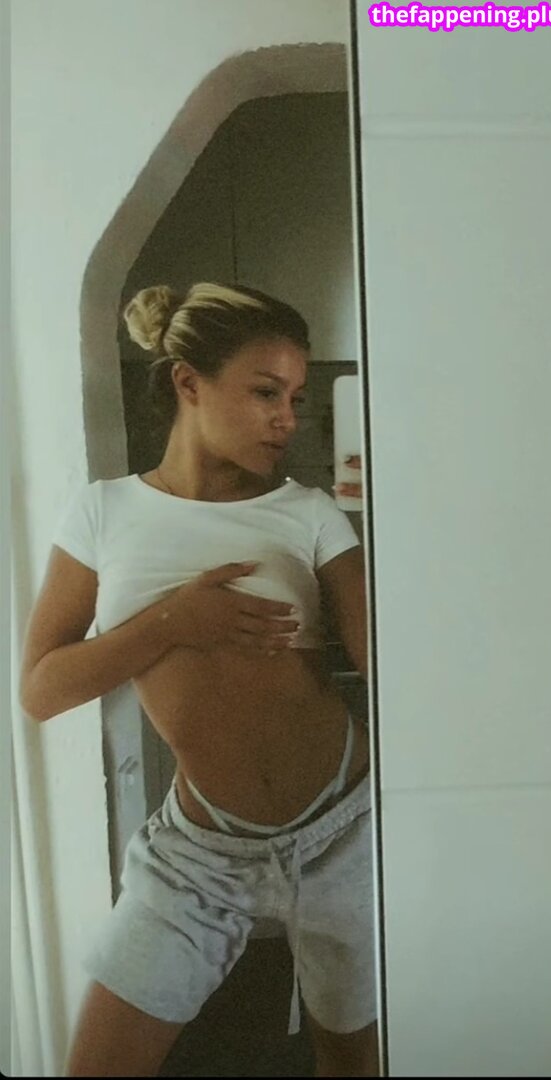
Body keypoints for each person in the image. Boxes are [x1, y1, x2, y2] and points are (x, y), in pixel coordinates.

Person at [19, 282, 377, 1078]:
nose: (287, 418)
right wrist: (173, 622)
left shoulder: (310, 511)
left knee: (351, 1064)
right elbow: (41, 689)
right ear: (189, 382)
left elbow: (390, 666)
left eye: (294, 397)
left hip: (346, 830)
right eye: (264, 392)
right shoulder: (103, 512)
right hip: (200, 856)